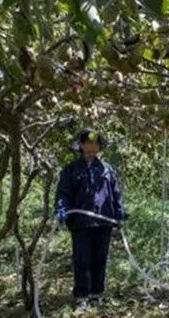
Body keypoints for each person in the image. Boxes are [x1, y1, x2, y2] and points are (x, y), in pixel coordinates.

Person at [54, 128, 126, 312]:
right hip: (80, 223)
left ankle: (96, 295)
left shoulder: (106, 169)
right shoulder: (71, 170)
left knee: (99, 259)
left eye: (96, 144)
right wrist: (62, 210)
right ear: (81, 146)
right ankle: (82, 297)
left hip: (103, 222)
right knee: (82, 260)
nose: (92, 147)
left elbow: (115, 193)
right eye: (89, 144)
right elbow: (63, 192)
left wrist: (119, 212)